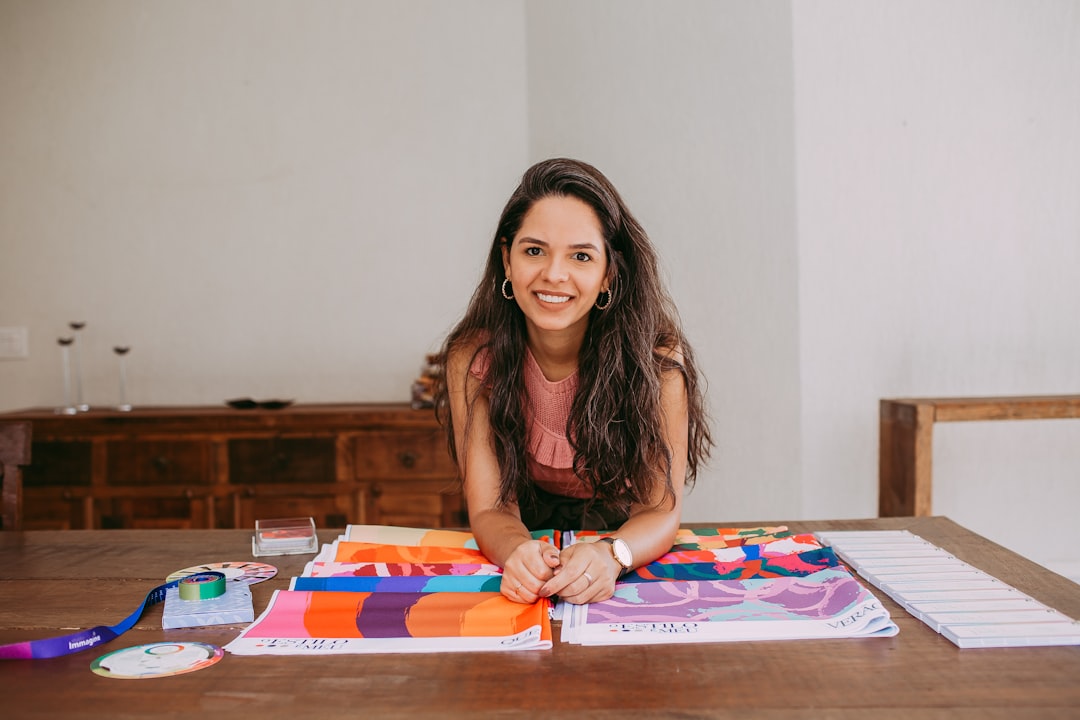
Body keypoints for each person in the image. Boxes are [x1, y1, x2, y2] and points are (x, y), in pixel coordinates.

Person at [434, 158, 712, 605]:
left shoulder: (657, 360)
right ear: (507, 259)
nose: (554, 275)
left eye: (580, 256)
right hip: (516, 531)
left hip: (626, 540)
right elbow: (489, 508)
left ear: (608, 275)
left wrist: (613, 554)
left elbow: (660, 510)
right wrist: (516, 553)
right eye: (533, 251)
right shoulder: (473, 357)